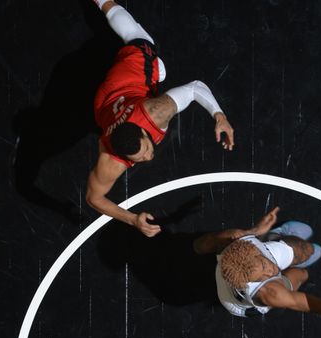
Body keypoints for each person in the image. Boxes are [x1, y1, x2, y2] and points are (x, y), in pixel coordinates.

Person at [87, 0, 235, 237]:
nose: (147, 157)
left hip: (126, 81)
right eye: (140, 157)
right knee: (157, 73)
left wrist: (219, 116)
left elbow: (196, 88)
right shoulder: (110, 158)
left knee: (141, 40)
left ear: (144, 131)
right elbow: (93, 198)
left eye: (144, 149)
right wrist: (132, 219)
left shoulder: (155, 113)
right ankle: (158, 72)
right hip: (105, 104)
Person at [193, 208, 321, 331]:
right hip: (241, 301)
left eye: (265, 265)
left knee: (307, 251)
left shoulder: (234, 239)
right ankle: (273, 242)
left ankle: (274, 236)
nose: (272, 271)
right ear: (255, 280)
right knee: (301, 274)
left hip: (255, 251)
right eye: (265, 275)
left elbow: (199, 245)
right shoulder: (271, 294)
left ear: (250, 248)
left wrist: (253, 231)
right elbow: (317, 306)